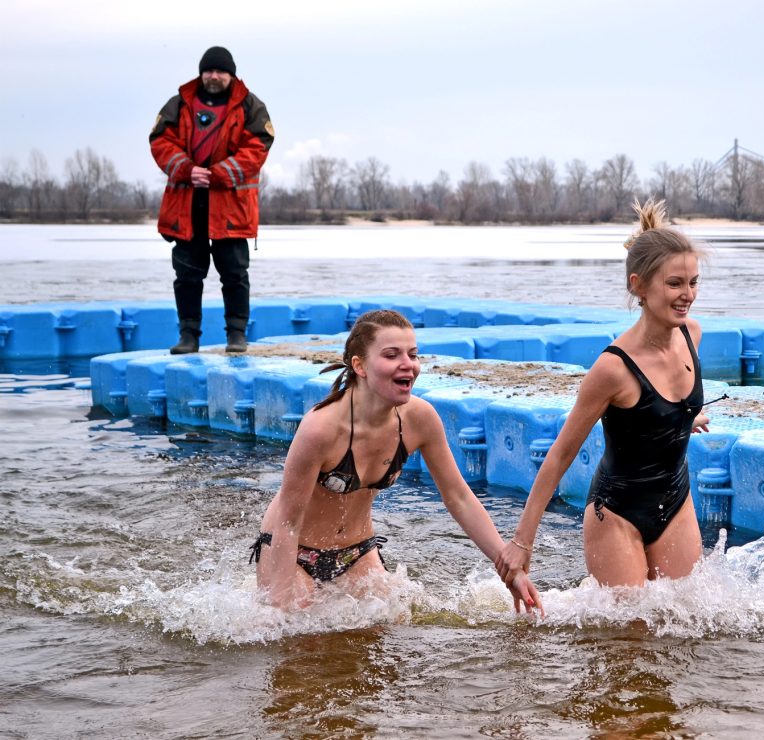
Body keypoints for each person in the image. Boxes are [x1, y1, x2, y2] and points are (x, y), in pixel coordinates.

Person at [250, 309, 543, 614]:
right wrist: (279, 609)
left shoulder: (420, 419)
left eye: (413, 355)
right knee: (297, 640)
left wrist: (509, 569)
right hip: (294, 551)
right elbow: (288, 521)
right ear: (359, 366)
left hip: (356, 553)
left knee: (398, 622)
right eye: (392, 355)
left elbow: (459, 499)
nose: (408, 364)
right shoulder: (321, 429)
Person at [496, 199, 711, 588]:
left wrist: (680, 419)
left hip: (676, 500)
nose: (687, 294)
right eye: (675, 283)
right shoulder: (612, 368)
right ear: (639, 286)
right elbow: (561, 453)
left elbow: (660, 403)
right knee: (626, 636)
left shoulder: (691, 335)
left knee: (685, 627)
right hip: (615, 513)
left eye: (693, 282)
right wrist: (521, 543)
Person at [149, 46, 274, 355]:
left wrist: (219, 173)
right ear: (201, 72)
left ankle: (236, 336)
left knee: (234, 274)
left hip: (231, 207)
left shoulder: (250, 105)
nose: (214, 76)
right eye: (209, 71)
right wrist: (187, 170)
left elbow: (258, 145)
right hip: (187, 206)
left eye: (220, 71)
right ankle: (188, 337)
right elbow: (160, 140)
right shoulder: (179, 104)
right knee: (187, 275)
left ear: (231, 74)